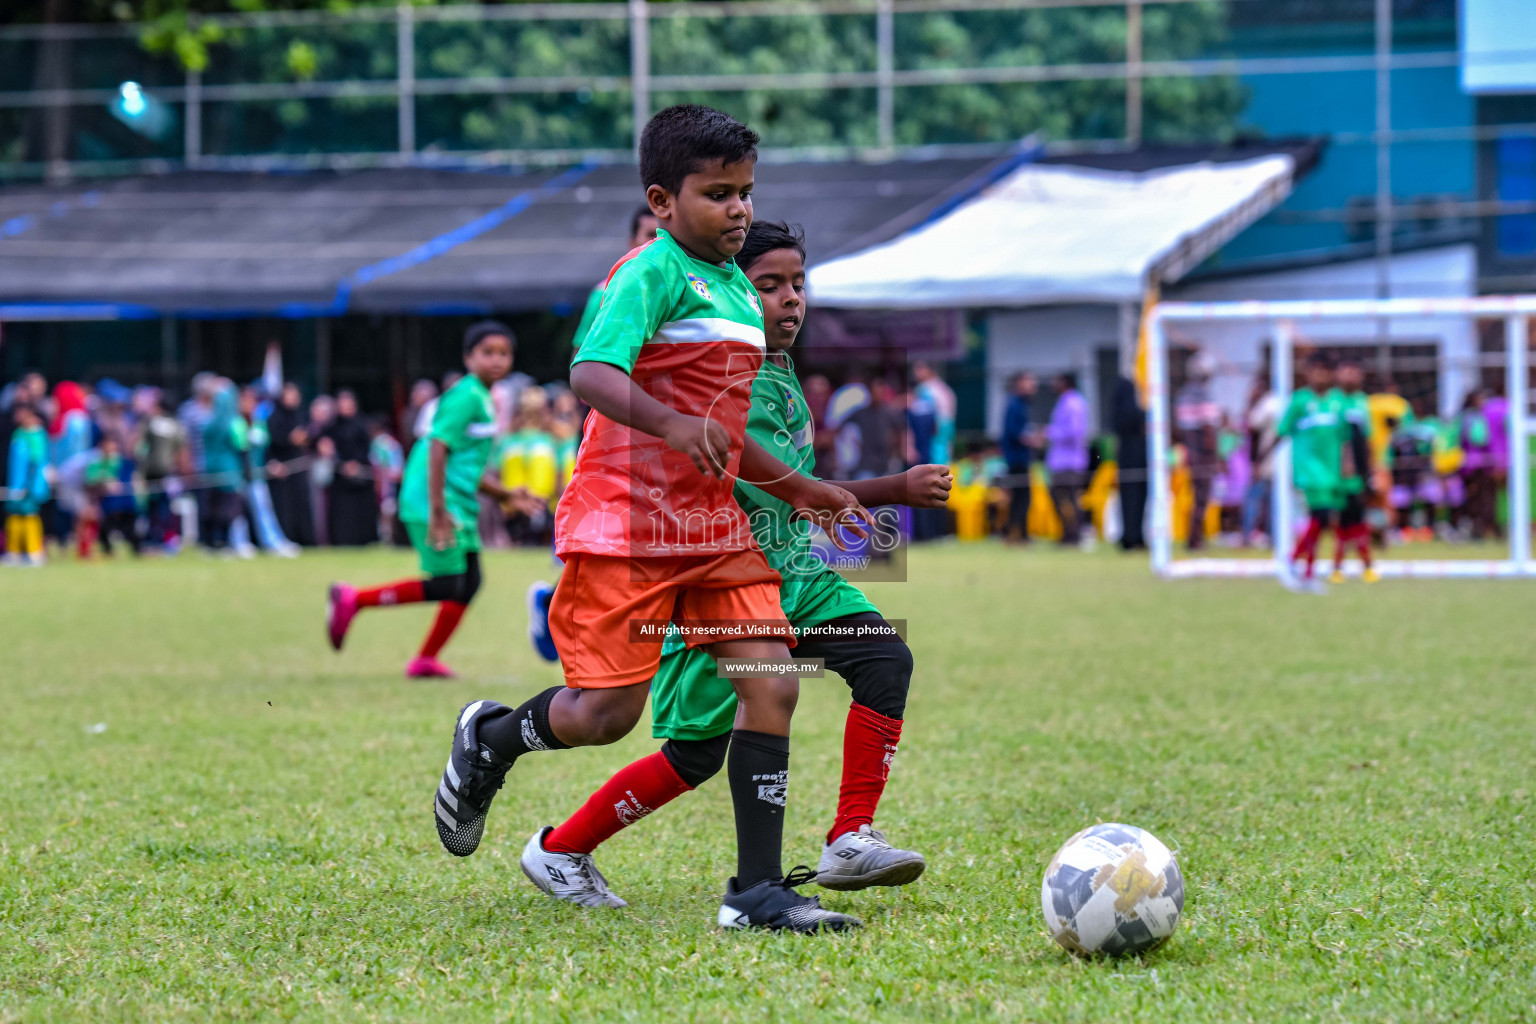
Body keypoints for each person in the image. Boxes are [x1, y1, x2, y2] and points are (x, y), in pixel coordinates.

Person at [427, 105, 870, 933]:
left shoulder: (741, 293)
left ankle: (756, 893)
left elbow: (728, 435)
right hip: (628, 527)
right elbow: (591, 374)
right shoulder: (648, 271)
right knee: (606, 716)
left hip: (714, 534)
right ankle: (490, 737)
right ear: (663, 201)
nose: (738, 209)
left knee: (769, 682)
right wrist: (668, 423)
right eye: (717, 194)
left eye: (745, 193)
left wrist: (800, 489)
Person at [520, 221, 950, 912]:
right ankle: (563, 845)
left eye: (798, 285)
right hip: (720, 577)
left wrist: (879, 491)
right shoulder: (722, 377)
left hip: (795, 579)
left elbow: (796, 483)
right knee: (692, 754)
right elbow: (761, 480)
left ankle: (848, 837)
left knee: (882, 658)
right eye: (769, 285)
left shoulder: (776, 375)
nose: (788, 301)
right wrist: (889, 490)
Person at [327, 323, 526, 678]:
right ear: (468, 357)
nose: (497, 360)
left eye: (504, 353)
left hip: (454, 500)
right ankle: (353, 600)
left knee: (470, 581)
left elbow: (466, 465)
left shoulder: (483, 397)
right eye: (487, 352)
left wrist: (506, 494)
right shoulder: (466, 395)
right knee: (448, 584)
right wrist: (437, 511)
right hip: (433, 500)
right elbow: (437, 448)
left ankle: (424, 660)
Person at [1278, 353, 1344, 589]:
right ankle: (1293, 561)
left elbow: (1346, 438)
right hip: (1308, 471)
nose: (1319, 375)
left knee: (1320, 523)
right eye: (1314, 370)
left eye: (1323, 370)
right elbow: (1281, 431)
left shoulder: (1338, 401)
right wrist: (1261, 460)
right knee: (1321, 517)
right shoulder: (1299, 401)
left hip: (1331, 472)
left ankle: (1306, 572)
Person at [571, 204, 660, 353]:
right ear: (632, 243)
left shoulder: (686, 287)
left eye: (661, 236)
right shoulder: (603, 292)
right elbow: (580, 353)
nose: (657, 242)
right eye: (651, 235)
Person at [1330, 361, 1377, 583]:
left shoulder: (1362, 402)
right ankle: (1337, 567)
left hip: (1359, 475)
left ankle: (1367, 566)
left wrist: (1371, 469)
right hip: (1337, 476)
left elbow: (1366, 439)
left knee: (1360, 523)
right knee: (1340, 524)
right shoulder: (1333, 401)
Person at [1175, 351, 1222, 551]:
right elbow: (1208, 427)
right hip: (1202, 452)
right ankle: (1195, 538)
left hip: (1189, 449)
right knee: (1202, 496)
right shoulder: (1203, 393)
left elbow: (1178, 426)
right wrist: (1216, 455)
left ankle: (1194, 536)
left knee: (1195, 495)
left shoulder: (1183, 393)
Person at [320, 390, 378, 547]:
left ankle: (364, 539)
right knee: (342, 511)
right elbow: (323, 442)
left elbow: (366, 447)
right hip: (340, 475)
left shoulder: (362, 424)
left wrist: (355, 463)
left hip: (359, 474)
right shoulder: (332, 426)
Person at [264, 383, 317, 547]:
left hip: (298, 469)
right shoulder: (273, 418)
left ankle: (305, 539)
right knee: (284, 507)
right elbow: (269, 444)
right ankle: (286, 538)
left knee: (301, 505)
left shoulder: (299, 416)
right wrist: (288, 440)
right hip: (281, 471)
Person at [135, 390, 185, 552]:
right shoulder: (175, 425)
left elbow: (138, 445)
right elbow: (181, 450)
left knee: (152, 508)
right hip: (169, 471)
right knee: (166, 508)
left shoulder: (150, 422)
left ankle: (153, 539)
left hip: (152, 472)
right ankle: (166, 539)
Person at [1045, 372, 1090, 546]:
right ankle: (1068, 533)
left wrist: (1050, 433)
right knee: (1060, 497)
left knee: (1070, 499)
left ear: (1065, 382)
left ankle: (1075, 534)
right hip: (1061, 461)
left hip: (1070, 461)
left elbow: (1074, 432)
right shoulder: (1065, 401)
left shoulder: (1073, 403)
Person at [4, 402, 50, 566]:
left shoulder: (36, 434)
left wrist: (29, 485)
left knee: (30, 515)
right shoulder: (20, 432)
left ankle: (34, 552)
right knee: (14, 515)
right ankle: (13, 552)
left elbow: (36, 462)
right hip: (16, 484)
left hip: (29, 485)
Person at [1242, 374, 1284, 546]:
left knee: (1255, 497)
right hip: (1280, 460)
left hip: (1267, 459)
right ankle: (1273, 535)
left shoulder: (1267, 405)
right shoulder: (1281, 402)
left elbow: (1253, 430)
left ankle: (1247, 534)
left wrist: (1257, 461)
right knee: (1274, 499)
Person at [85, 434, 140, 557]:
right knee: (104, 528)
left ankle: (136, 550)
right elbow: (90, 480)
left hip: (126, 503)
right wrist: (103, 483)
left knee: (129, 529)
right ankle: (107, 551)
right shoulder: (97, 463)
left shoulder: (125, 463)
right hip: (106, 503)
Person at [1111, 375, 1147, 551]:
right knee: (1135, 501)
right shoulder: (1133, 414)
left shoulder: (1117, 412)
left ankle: (1132, 536)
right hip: (1136, 460)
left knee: (1128, 501)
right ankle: (1133, 537)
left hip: (1126, 460)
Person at [368, 417, 406, 546]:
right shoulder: (392, 442)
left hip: (386, 483)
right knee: (388, 510)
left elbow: (378, 464)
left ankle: (386, 537)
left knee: (386, 510)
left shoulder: (381, 443)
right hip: (392, 481)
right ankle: (387, 537)